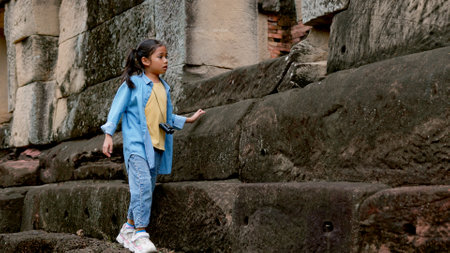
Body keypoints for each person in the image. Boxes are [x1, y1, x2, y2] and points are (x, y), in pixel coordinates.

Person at [101, 39, 205, 253]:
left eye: (167, 56)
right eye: (161, 57)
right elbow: (116, 108)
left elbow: (164, 116)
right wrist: (108, 134)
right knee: (142, 189)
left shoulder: (163, 87)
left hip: (157, 147)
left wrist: (188, 120)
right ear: (145, 61)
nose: (166, 61)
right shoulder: (133, 83)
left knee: (143, 188)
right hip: (137, 147)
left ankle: (127, 229)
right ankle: (140, 234)